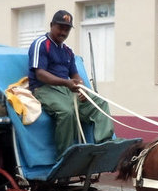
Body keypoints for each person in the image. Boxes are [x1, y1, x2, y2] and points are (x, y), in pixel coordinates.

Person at [28, 10, 114, 158]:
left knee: (99, 103)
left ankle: (104, 145)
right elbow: (40, 74)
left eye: (67, 29)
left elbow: (74, 74)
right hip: (44, 89)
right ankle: (65, 156)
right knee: (67, 112)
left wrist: (81, 87)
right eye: (60, 27)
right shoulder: (41, 44)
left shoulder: (68, 51)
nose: (63, 32)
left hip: (66, 89)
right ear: (51, 25)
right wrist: (66, 83)